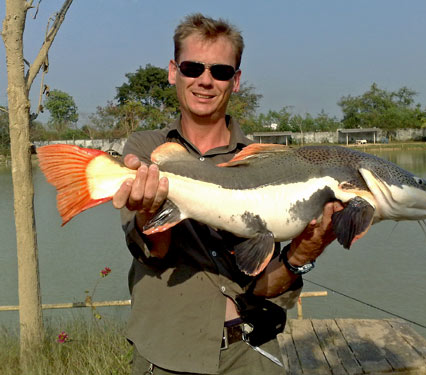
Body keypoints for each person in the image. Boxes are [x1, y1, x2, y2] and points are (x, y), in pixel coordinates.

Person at [112, 13, 342, 375]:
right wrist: (147, 213)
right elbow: (150, 253)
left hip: (251, 351)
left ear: (235, 81)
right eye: (193, 67)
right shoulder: (147, 150)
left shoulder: (264, 162)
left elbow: (268, 288)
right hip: (165, 353)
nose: (205, 81)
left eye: (220, 72)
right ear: (174, 71)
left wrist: (306, 252)